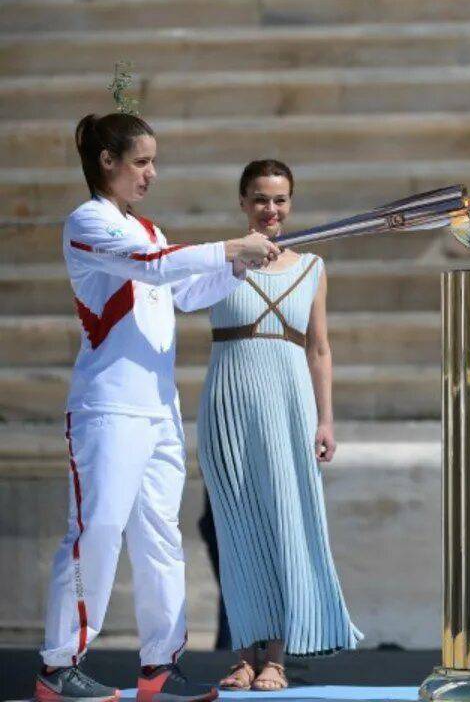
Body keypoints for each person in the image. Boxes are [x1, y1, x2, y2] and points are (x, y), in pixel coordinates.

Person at [36, 113, 280, 702]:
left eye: (153, 161)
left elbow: (184, 292)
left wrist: (238, 265)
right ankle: (58, 665)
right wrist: (227, 245)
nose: (151, 173)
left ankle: (159, 668)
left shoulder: (147, 227)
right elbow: (155, 267)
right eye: (141, 161)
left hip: (158, 410)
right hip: (106, 409)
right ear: (107, 163)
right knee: (95, 531)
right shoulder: (87, 223)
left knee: (159, 538)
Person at [198, 159, 361, 692]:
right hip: (230, 403)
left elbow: (319, 348)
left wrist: (326, 419)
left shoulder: (311, 266)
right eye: (261, 199)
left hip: (289, 404)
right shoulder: (220, 261)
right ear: (243, 202)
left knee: (289, 524)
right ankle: (243, 657)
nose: (271, 209)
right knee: (236, 529)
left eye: (281, 200)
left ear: (291, 204)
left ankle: (277, 659)